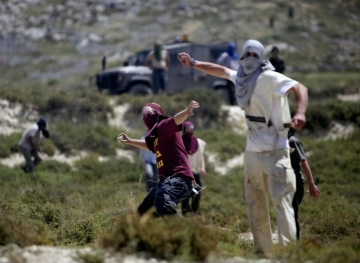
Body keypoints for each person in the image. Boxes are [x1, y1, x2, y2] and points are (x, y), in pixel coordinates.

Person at [178, 39, 308, 257]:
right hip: (252, 152)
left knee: (282, 203)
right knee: (254, 204)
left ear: (261, 58)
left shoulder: (270, 77)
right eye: (246, 54)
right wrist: (193, 62)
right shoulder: (241, 78)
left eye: (254, 55)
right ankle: (264, 254)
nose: (249, 59)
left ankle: (289, 255)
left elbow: (299, 87)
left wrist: (300, 111)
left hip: (276, 149)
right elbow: (219, 70)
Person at [118, 101, 200, 217]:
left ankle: (187, 231)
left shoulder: (163, 125)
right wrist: (130, 141)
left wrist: (186, 112)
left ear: (157, 114)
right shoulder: (155, 136)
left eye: (148, 112)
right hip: (166, 182)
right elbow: (149, 145)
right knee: (143, 213)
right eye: (143, 114)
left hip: (179, 179)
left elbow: (176, 119)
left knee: (163, 204)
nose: (145, 116)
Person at [288, 128, 320, 240]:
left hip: (294, 182)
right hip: (282, 183)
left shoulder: (292, 141)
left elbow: (304, 162)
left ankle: (295, 244)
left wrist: (311, 184)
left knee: (292, 213)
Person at [181, 121, 206, 215]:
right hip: (183, 173)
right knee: (185, 194)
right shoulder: (180, 141)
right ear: (184, 130)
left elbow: (201, 155)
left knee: (196, 192)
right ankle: (184, 212)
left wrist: (203, 167)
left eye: (191, 129)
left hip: (195, 173)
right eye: (187, 129)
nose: (189, 131)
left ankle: (194, 212)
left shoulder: (198, 142)